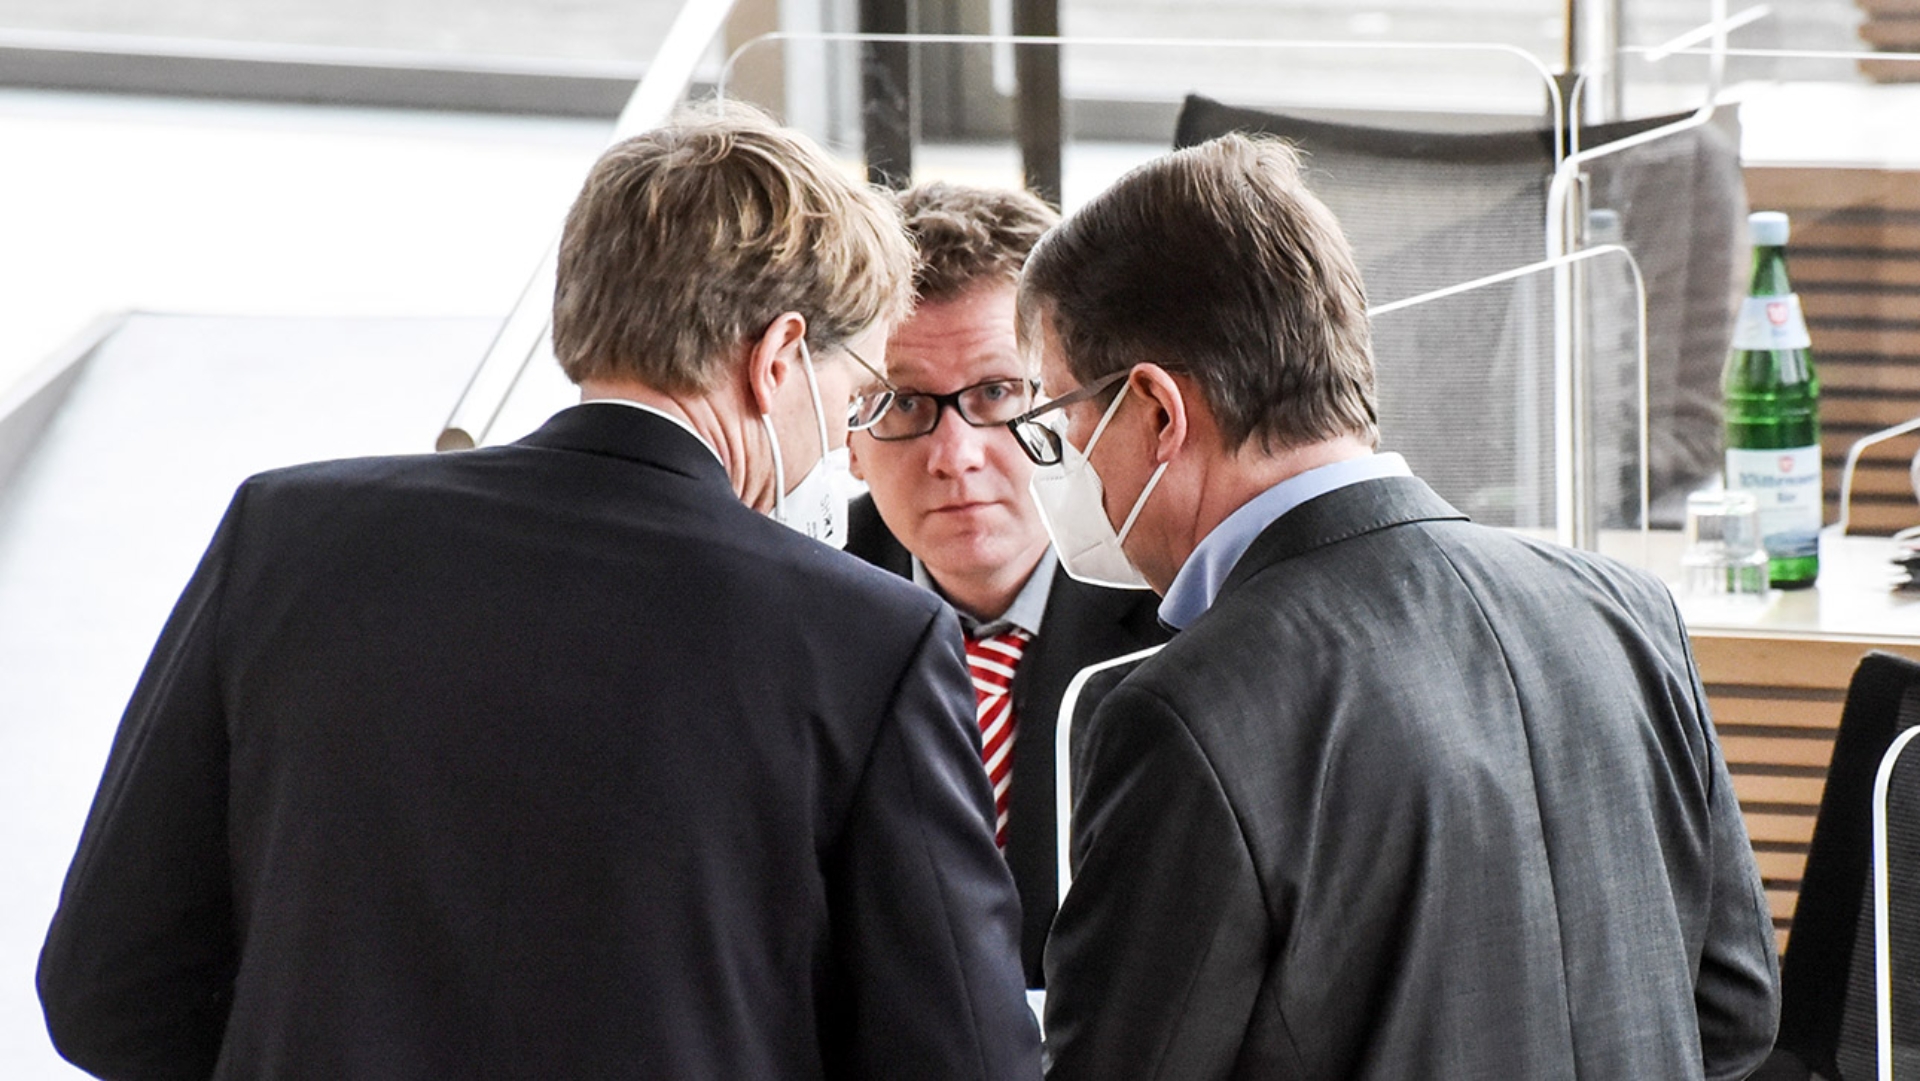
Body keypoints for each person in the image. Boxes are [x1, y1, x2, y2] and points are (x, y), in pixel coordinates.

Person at [37, 104, 1041, 1081]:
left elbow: (105, 992)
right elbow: (962, 1054)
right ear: (777, 358)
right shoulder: (862, 637)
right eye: (855, 392)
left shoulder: (288, 536)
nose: (849, 435)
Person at [1009, 133, 1780, 1079]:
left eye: (1057, 421)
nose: (1056, 465)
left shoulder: (1190, 713)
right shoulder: (1626, 613)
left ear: (1159, 412)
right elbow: (1735, 1016)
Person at [844, 181, 1168, 990]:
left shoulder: (1176, 602)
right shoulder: (795, 609)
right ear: (848, 434)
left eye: (996, 393)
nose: (954, 455)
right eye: (905, 402)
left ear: (1069, 403)